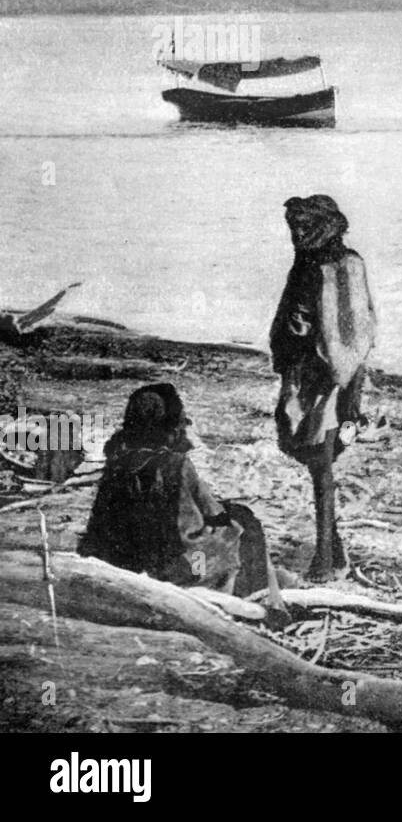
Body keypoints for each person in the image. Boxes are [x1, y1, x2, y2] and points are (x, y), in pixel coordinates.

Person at [79, 384, 278, 598]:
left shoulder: (116, 462)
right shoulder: (176, 464)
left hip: (122, 560)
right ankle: (258, 600)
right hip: (180, 567)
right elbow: (210, 514)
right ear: (171, 425)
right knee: (243, 522)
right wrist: (227, 520)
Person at [270, 194, 376, 580]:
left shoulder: (344, 265)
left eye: (304, 226)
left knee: (321, 460)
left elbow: (352, 330)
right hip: (308, 374)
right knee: (312, 454)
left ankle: (326, 558)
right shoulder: (307, 264)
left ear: (326, 225)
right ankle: (333, 548)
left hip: (329, 377)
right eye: (293, 227)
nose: (297, 233)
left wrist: (325, 360)